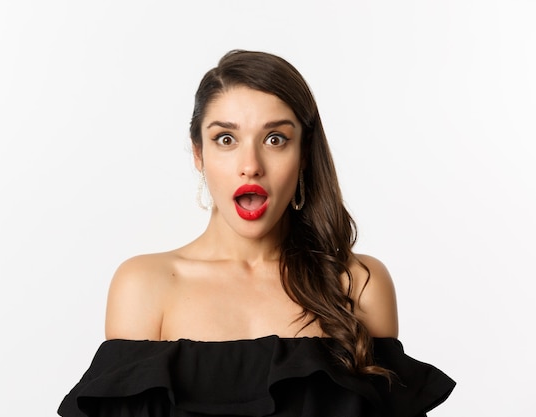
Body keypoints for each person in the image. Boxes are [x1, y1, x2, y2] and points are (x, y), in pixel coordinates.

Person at [58, 50, 455, 417]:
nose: (250, 165)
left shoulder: (358, 284)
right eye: (225, 139)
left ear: (303, 156)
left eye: (275, 139)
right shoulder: (144, 286)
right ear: (199, 153)